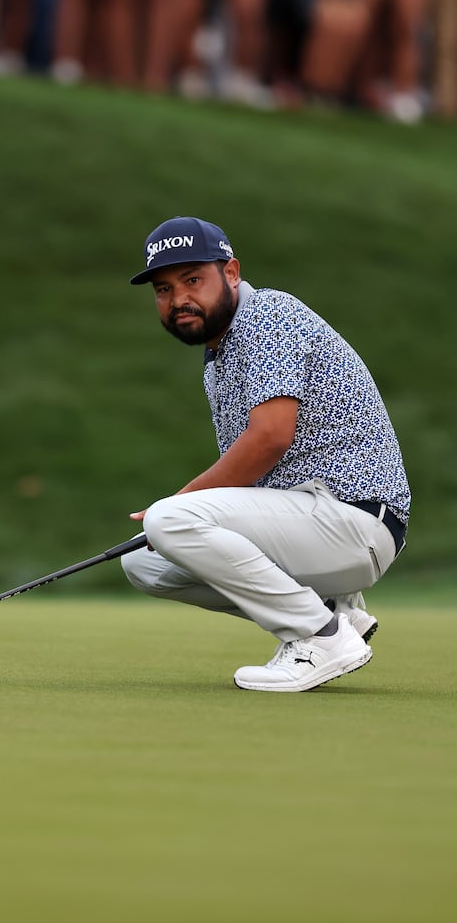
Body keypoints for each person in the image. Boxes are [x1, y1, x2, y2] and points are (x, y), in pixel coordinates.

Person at [121, 216, 410, 692]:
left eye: (193, 280)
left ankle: (319, 636)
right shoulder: (221, 352)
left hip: (355, 520)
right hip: (314, 523)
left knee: (169, 522)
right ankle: (336, 615)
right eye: (163, 289)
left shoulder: (268, 316)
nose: (179, 300)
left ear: (231, 272)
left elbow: (269, 439)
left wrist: (174, 506)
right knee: (145, 564)